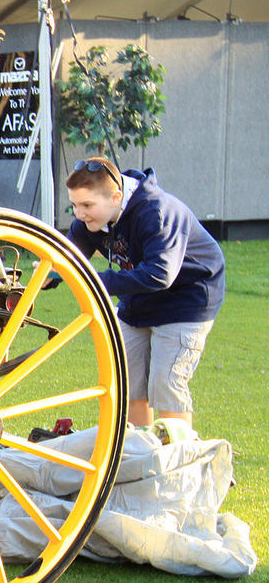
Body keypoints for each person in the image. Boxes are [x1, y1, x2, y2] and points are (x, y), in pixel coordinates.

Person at [64, 156, 226, 430]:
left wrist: (96, 280)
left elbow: (160, 274)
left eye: (87, 205)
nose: (79, 214)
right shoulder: (92, 219)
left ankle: (176, 462)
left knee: (166, 381)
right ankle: (139, 456)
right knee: (128, 381)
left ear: (116, 197)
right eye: (74, 205)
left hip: (186, 301)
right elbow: (68, 256)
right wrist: (51, 274)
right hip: (139, 300)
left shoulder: (156, 211)